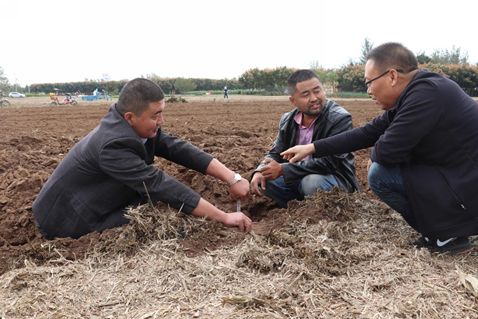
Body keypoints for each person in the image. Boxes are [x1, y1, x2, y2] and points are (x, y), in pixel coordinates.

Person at [281, 43, 478, 253]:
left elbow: (388, 151)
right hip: (457, 173)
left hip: (467, 182)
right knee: (386, 166)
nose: (368, 91)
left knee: (380, 173)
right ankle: (443, 231)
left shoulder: (426, 95)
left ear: (392, 76)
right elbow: (369, 132)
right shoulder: (419, 90)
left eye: (369, 82)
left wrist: (376, 156)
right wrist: (312, 147)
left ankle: (448, 235)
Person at [33, 78, 252, 239]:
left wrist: (232, 177)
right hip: (67, 220)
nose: (161, 120)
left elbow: (177, 148)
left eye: (162, 112)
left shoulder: (133, 127)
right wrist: (223, 217)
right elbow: (157, 183)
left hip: (91, 199)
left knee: (164, 204)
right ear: (130, 117)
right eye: (155, 115)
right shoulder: (113, 145)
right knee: (158, 211)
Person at [250, 69, 358, 208]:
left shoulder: (339, 118)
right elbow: (276, 152)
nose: (314, 98)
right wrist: (260, 170)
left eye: (317, 91)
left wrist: (284, 169)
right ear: (293, 101)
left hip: (332, 178)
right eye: (305, 94)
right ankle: (299, 209)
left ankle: (324, 210)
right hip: (298, 176)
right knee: (265, 179)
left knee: (311, 183)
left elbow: (331, 162)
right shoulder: (287, 120)